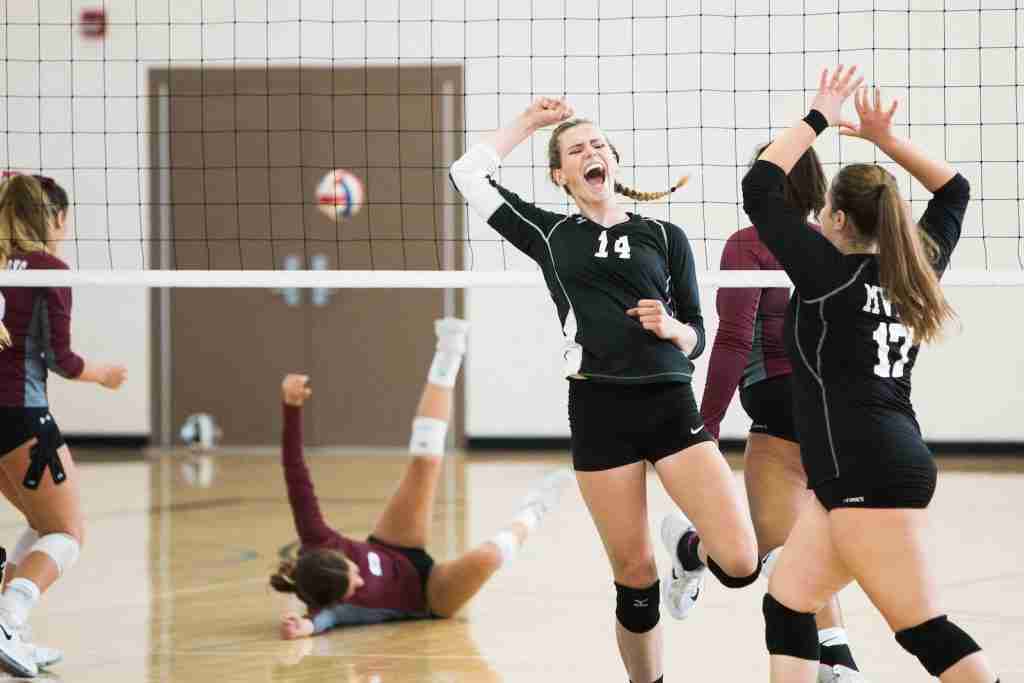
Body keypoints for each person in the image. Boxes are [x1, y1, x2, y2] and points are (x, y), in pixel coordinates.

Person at [450, 98, 760, 683]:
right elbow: (466, 174)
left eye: (598, 145)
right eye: (575, 150)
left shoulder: (665, 236)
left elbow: (696, 335)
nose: (590, 153)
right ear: (560, 176)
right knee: (634, 575)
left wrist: (673, 329)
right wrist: (531, 124)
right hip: (599, 408)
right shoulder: (547, 232)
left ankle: (688, 552)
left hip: (669, 402)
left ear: (614, 161)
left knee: (742, 563)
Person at [743, 65, 1000, 683]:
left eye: (827, 208)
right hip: (870, 464)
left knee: (921, 629)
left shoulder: (828, 275)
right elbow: (955, 192)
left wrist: (818, 117)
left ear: (834, 221)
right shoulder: (917, 269)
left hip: (867, 469)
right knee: (787, 604)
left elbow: (760, 187)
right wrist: (885, 142)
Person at [270, 318, 572, 638]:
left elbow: (295, 474)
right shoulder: (329, 608)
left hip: (394, 547)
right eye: (352, 588)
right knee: (488, 556)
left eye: (353, 572)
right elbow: (318, 622)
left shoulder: (316, 536)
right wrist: (303, 627)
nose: (359, 581)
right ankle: (535, 510)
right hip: (429, 595)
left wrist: (291, 407)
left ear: (331, 555)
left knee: (425, 462)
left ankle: (449, 350)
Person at [700, 147, 867, 683]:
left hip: (777, 401)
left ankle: (689, 546)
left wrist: (703, 429)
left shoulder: (750, 244)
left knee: (771, 561)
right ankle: (839, 656)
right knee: (803, 546)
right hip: (837, 411)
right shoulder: (838, 244)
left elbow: (731, 338)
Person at [0, 174, 127, 676]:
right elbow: (62, 358)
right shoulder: (47, 268)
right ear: (55, 218)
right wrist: (104, 375)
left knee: (42, 524)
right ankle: (8, 620)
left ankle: (10, 628)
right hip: (21, 419)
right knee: (68, 532)